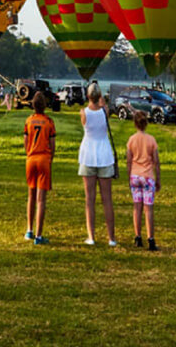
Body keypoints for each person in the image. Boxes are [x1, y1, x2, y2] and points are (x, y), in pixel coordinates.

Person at [79, 84, 117, 246]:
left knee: (90, 199)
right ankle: (111, 238)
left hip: (88, 155)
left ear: (88, 96)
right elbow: (104, 108)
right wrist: (102, 102)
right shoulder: (105, 111)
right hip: (104, 155)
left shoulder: (83, 113)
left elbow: (88, 112)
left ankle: (91, 236)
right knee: (107, 199)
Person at [23, 93, 56, 245]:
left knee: (31, 195)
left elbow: (25, 141)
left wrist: (29, 153)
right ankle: (39, 235)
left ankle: (29, 230)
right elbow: (52, 144)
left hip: (31, 159)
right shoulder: (49, 122)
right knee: (41, 199)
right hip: (43, 159)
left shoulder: (28, 121)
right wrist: (51, 158)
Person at [126, 111, 161, 251]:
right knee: (148, 208)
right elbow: (156, 161)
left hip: (135, 175)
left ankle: (137, 237)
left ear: (135, 123)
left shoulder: (131, 140)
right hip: (148, 176)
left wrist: (129, 176)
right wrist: (158, 178)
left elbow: (129, 161)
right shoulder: (151, 140)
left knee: (137, 207)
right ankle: (151, 239)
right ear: (146, 123)